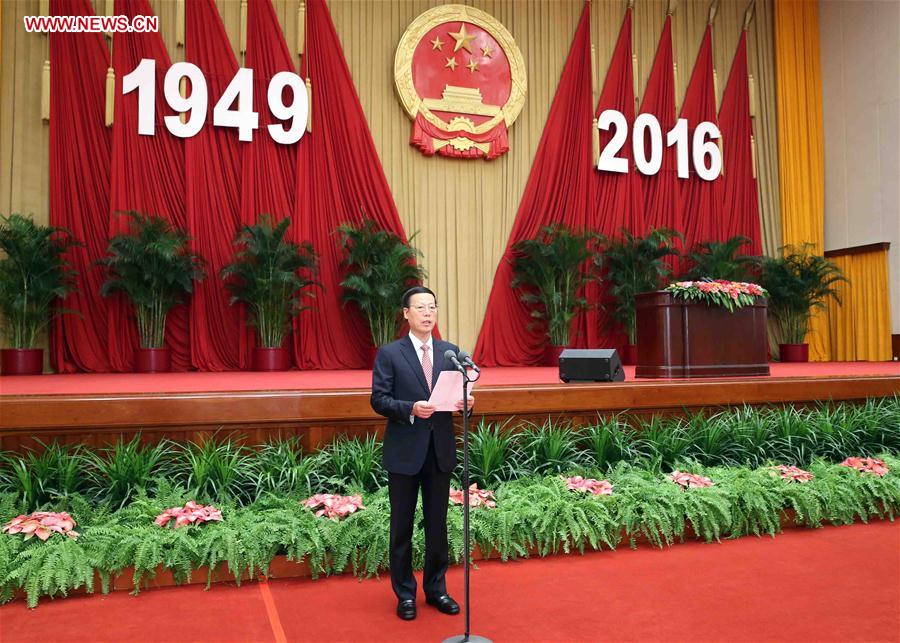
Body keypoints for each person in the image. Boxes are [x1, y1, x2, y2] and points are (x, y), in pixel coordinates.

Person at [370, 286, 475, 621]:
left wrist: (466, 404)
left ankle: (436, 589)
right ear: (406, 314)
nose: (428, 313)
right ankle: (404, 594)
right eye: (421, 307)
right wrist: (411, 408)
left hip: (439, 450)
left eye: (432, 307)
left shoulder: (450, 352)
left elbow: (456, 393)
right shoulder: (390, 353)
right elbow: (379, 399)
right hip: (404, 452)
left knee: (437, 526)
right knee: (401, 526)